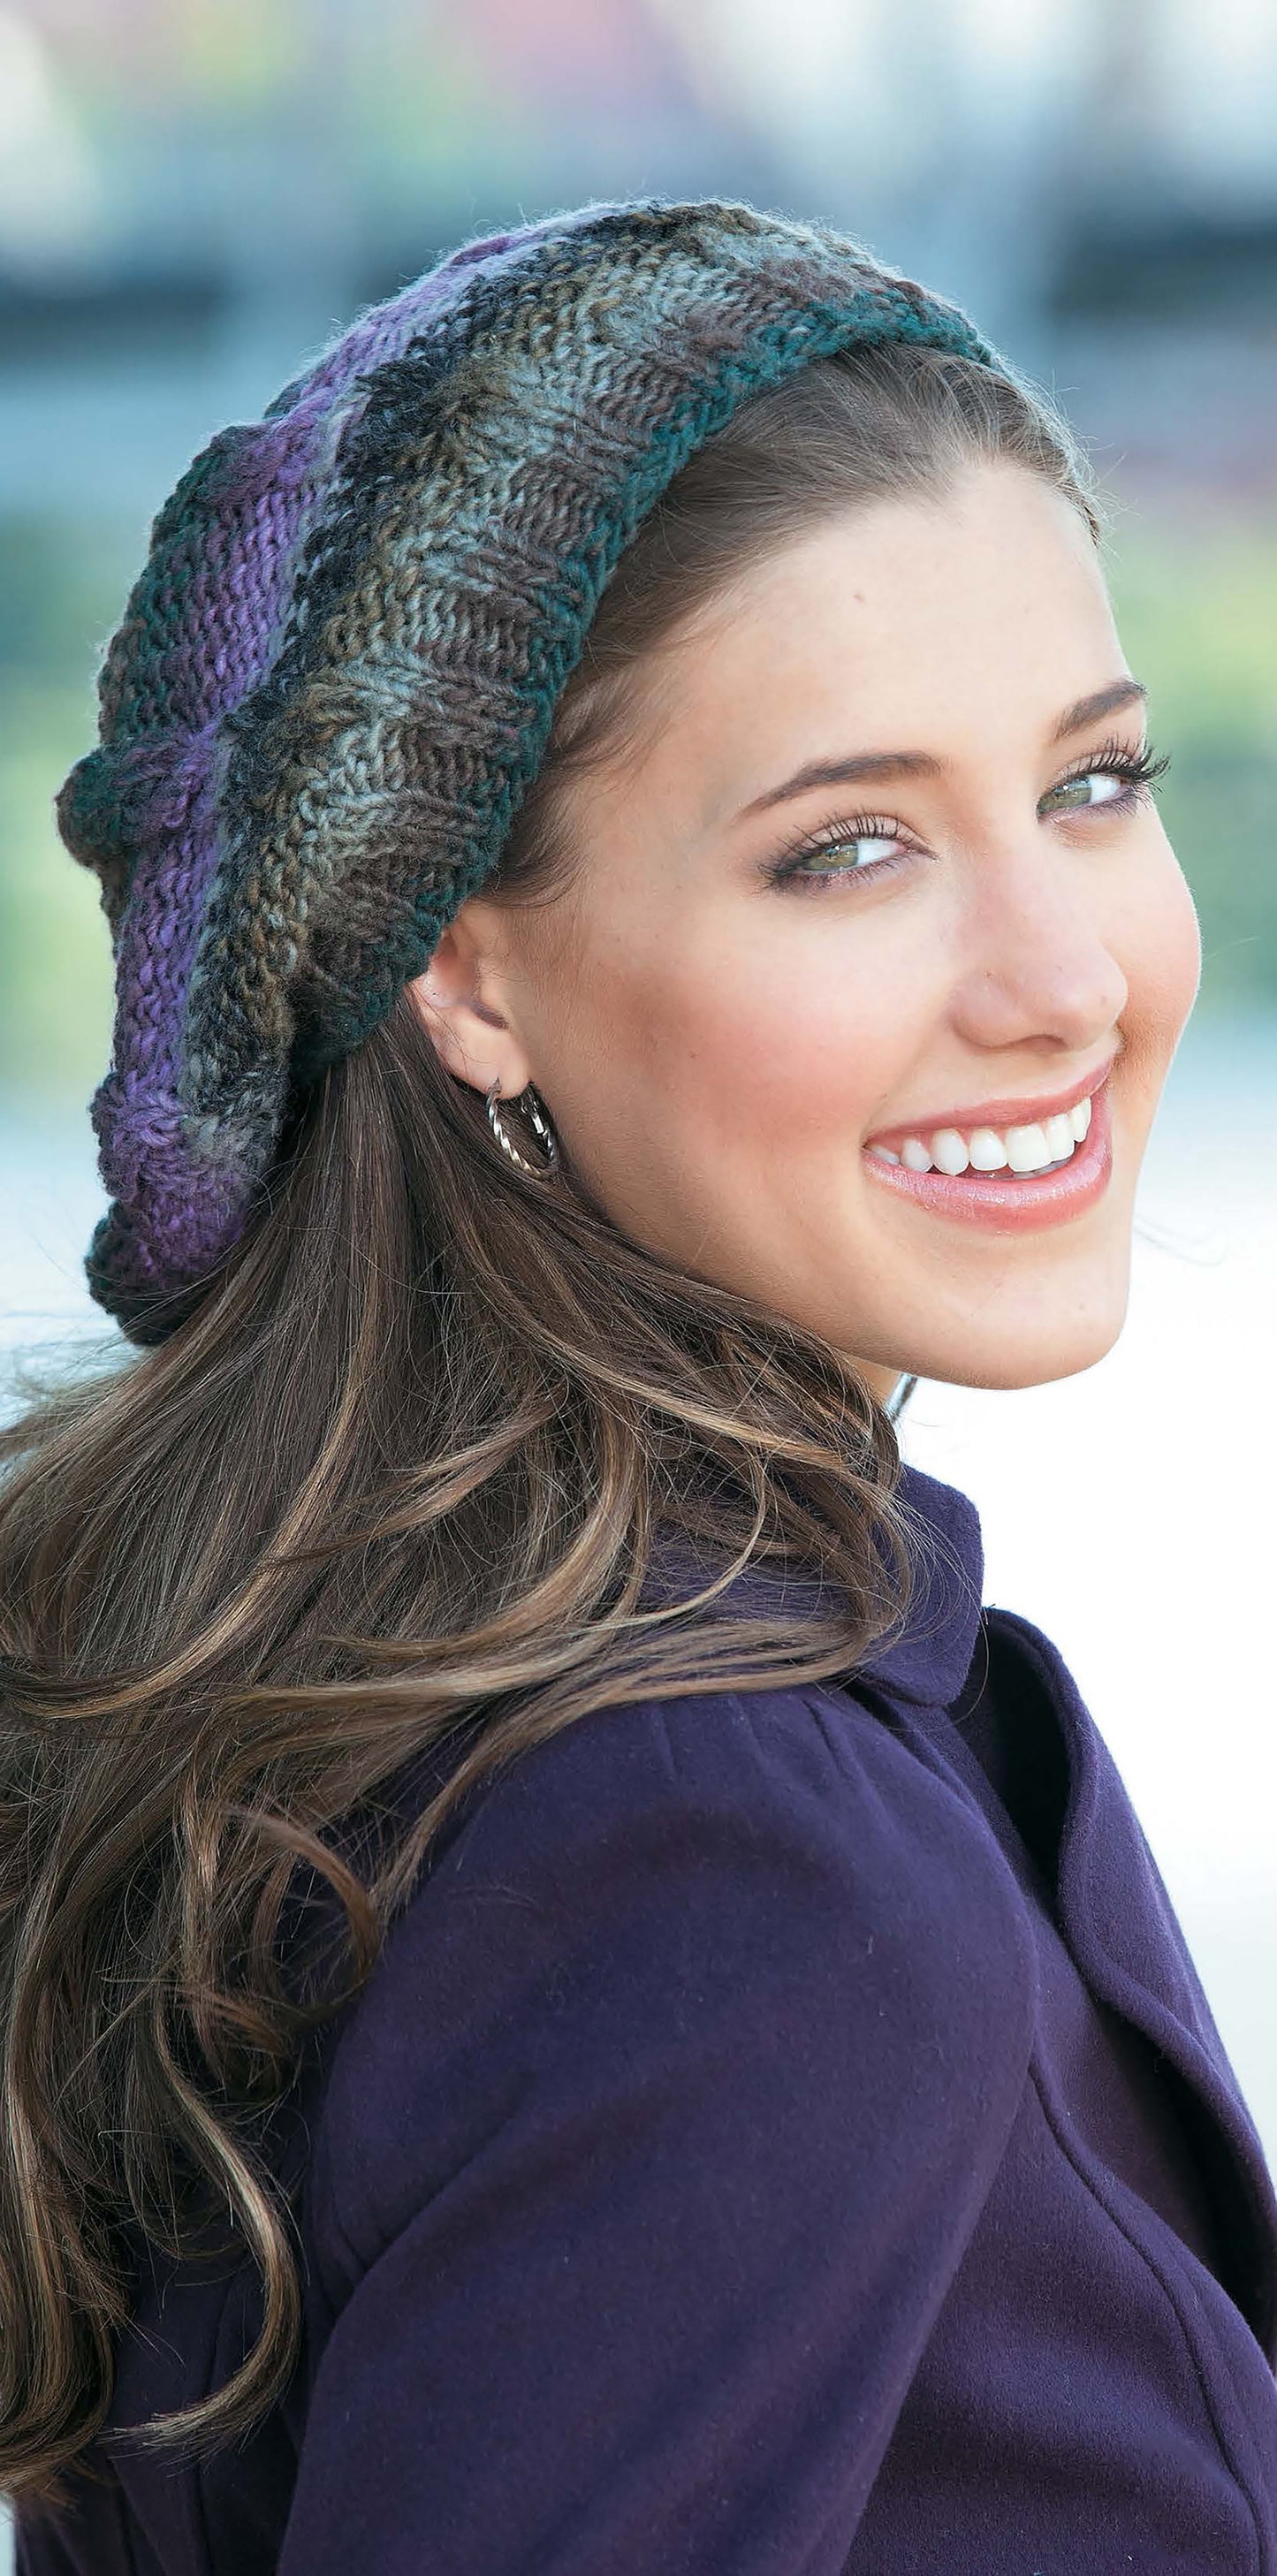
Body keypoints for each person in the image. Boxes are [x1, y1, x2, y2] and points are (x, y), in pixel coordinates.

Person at [2, 196, 1273, 2574]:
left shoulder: (389, 1690)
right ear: (465, 974)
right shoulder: (733, 1863)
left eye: (1097, 783)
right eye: (853, 848)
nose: (1064, 978)